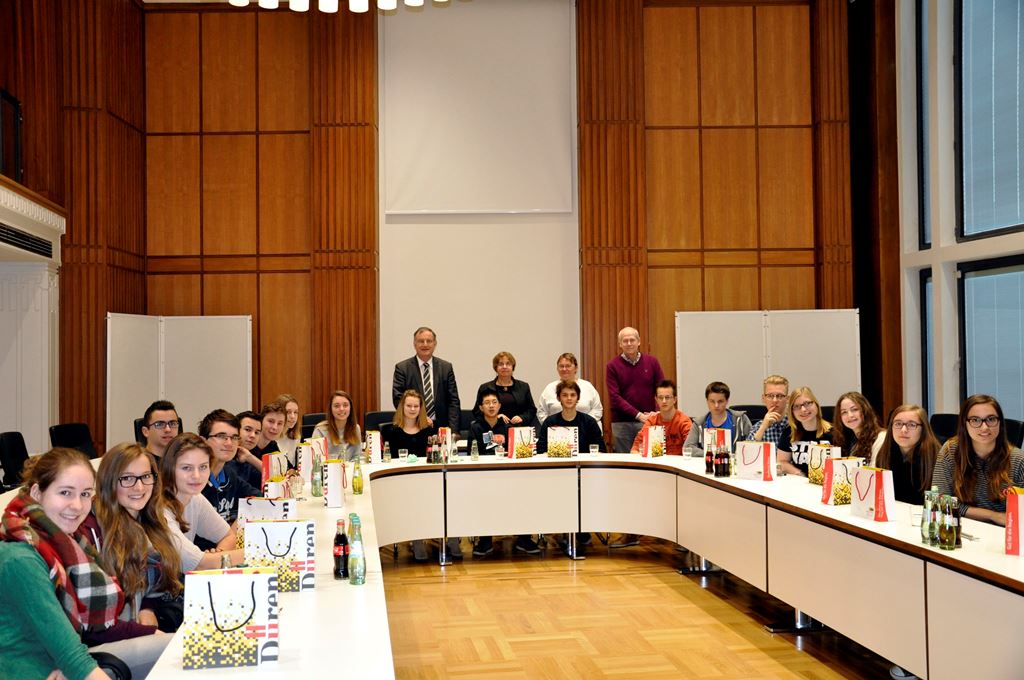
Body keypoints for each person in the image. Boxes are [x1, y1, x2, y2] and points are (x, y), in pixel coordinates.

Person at [0, 448, 169, 680]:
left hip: (61, 664)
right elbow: (73, 658)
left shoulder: (65, 544)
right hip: (32, 672)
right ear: (38, 493)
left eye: (85, 494)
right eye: (65, 492)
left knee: (182, 649)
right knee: (180, 651)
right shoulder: (21, 558)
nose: (78, 506)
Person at [93, 443, 184, 633]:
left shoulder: (150, 519)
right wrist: (145, 632)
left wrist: (148, 606)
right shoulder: (98, 529)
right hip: (112, 636)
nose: (139, 486)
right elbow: (96, 622)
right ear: (109, 481)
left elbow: (159, 579)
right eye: (127, 478)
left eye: (145, 476)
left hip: (139, 629)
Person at [383, 390, 458, 561]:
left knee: (448, 494)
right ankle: (417, 540)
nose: (412, 409)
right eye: (409, 405)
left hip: (428, 479)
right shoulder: (391, 431)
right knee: (414, 499)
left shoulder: (429, 430)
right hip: (402, 481)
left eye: (416, 406)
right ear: (402, 407)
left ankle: (452, 538)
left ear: (421, 408)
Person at [932, 394, 1024, 526]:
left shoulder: (1018, 460)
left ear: (1000, 423)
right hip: (960, 528)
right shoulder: (950, 451)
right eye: (975, 420)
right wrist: (993, 516)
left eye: (991, 419)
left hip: (1003, 533)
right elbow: (940, 501)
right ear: (965, 424)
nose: (985, 427)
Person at [160, 433, 244, 571]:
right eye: (186, 468)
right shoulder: (159, 510)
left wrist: (218, 555)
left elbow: (229, 536)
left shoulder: (194, 497)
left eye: (203, 467)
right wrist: (258, 554)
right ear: (169, 468)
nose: (197, 476)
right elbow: (200, 564)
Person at [606, 326, 664, 453]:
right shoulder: (612, 366)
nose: (629, 343)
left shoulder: (652, 362)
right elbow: (615, 397)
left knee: (651, 458)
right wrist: (639, 415)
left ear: (639, 342)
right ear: (620, 344)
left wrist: (657, 412)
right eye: (625, 341)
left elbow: (662, 390)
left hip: (650, 420)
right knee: (625, 463)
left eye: (632, 340)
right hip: (622, 424)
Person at [392, 326, 461, 430]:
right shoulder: (402, 368)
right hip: (413, 426)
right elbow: (398, 399)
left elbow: (453, 401)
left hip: (442, 428)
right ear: (414, 344)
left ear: (435, 344)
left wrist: (453, 430)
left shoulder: (446, 367)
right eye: (421, 341)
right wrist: (421, 418)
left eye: (429, 341)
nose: (425, 344)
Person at [200, 409, 261, 525]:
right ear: (203, 441)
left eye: (234, 437)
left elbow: (260, 499)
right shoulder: (194, 479)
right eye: (221, 436)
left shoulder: (229, 473)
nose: (229, 443)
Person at [873, 405, 940, 504]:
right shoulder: (885, 453)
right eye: (898, 424)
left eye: (912, 425)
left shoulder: (936, 457)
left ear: (923, 429)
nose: (903, 430)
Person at [535, 352, 604, 431]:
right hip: (557, 433)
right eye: (561, 366)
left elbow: (597, 410)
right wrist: (553, 428)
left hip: (587, 430)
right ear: (557, 368)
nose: (564, 369)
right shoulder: (549, 388)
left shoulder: (588, 386)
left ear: (576, 368)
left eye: (568, 366)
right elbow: (541, 412)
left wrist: (585, 424)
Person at [537, 381, 606, 455]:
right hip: (556, 464)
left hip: (584, 465)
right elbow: (540, 449)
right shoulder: (549, 422)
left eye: (573, 395)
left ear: (578, 397)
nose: (569, 398)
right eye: (565, 395)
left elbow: (601, 449)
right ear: (558, 398)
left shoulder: (589, 422)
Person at [776, 387, 833, 476]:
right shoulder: (789, 433)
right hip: (801, 485)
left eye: (807, 403)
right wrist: (799, 473)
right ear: (792, 412)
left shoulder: (834, 432)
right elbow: (782, 461)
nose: (803, 409)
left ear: (816, 404)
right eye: (797, 406)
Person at [473, 351, 537, 427]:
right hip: (493, 429)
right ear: (495, 368)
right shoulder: (485, 387)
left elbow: (531, 410)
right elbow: (477, 411)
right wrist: (494, 417)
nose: (504, 367)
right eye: (500, 364)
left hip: (518, 429)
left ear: (513, 367)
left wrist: (522, 417)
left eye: (508, 364)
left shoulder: (523, 386)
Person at [683, 381, 753, 450]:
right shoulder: (699, 423)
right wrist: (712, 454)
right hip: (708, 461)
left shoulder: (740, 419)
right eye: (712, 401)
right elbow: (688, 447)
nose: (716, 405)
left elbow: (752, 445)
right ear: (707, 401)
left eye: (720, 401)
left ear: (727, 401)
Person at [630, 380, 692, 456]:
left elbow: (690, 448)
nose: (664, 401)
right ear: (656, 399)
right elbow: (636, 447)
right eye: (660, 397)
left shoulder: (684, 421)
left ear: (675, 400)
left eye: (667, 397)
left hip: (678, 465)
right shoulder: (651, 421)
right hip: (657, 464)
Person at [833, 391, 886, 465]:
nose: (850, 415)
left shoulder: (881, 438)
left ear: (865, 410)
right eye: (844, 412)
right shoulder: (854, 443)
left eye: (854, 409)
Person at [312, 390, 363, 461]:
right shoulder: (320, 430)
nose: (341, 409)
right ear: (331, 409)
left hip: (350, 470)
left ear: (350, 408)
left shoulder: (356, 428)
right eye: (337, 406)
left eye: (345, 405)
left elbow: (357, 457)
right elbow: (317, 461)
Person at [751, 375, 791, 444]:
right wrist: (762, 428)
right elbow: (747, 452)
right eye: (770, 396)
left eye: (780, 396)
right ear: (763, 398)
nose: (775, 400)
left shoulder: (796, 425)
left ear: (787, 399)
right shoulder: (758, 427)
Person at [469, 388, 508, 457]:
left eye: (494, 402)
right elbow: (471, 453)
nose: (491, 406)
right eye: (487, 403)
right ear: (481, 408)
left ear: (499, 406)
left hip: (503, 464)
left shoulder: (506, 427)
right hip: (482, 465)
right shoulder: (475, 428)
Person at [275, 394, 302, 467]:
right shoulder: (271, 437)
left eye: (295, 412)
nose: (293, 416)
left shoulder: (296, 437)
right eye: (288, 412)